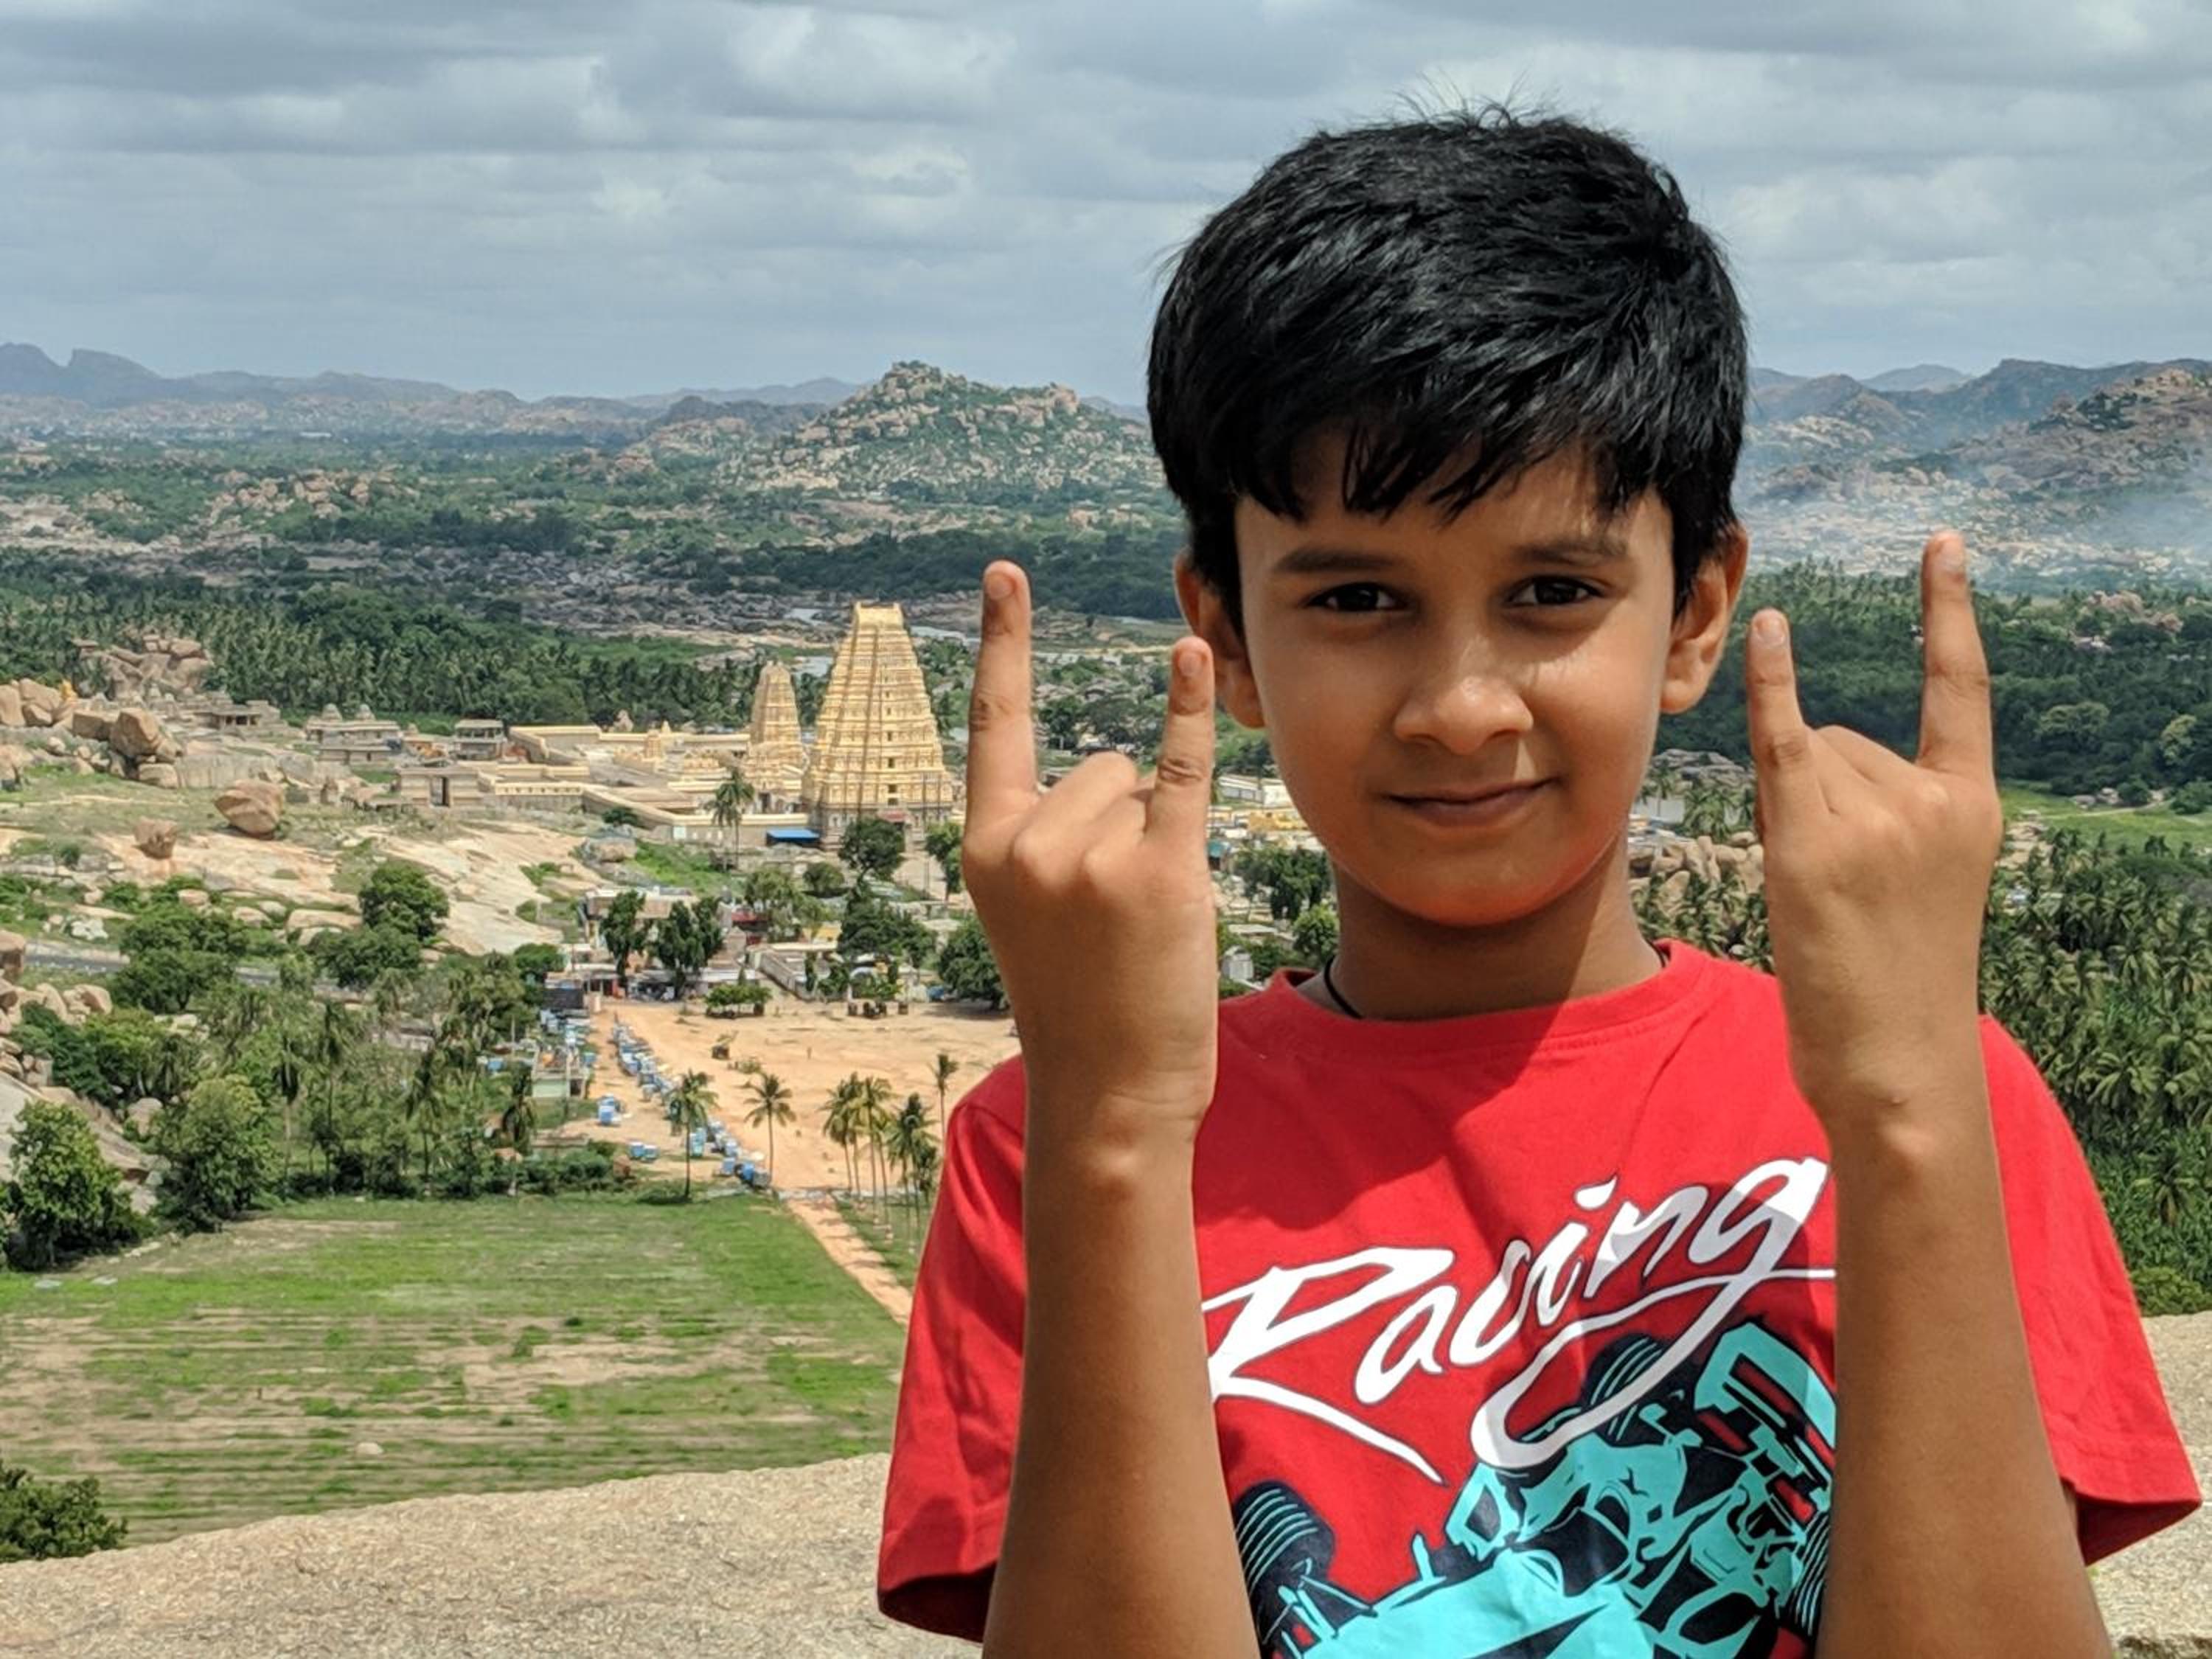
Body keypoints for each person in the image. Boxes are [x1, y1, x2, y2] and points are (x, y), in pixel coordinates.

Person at [876, 105, 2201, 1657]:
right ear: (1225, 634)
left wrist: (1906, 1111)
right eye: (1357, 598)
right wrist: (1112, 1138)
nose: (1461, 706)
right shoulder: (1050, 1143)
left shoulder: (1945, 1090)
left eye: (1554, 591)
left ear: (1694, 613)